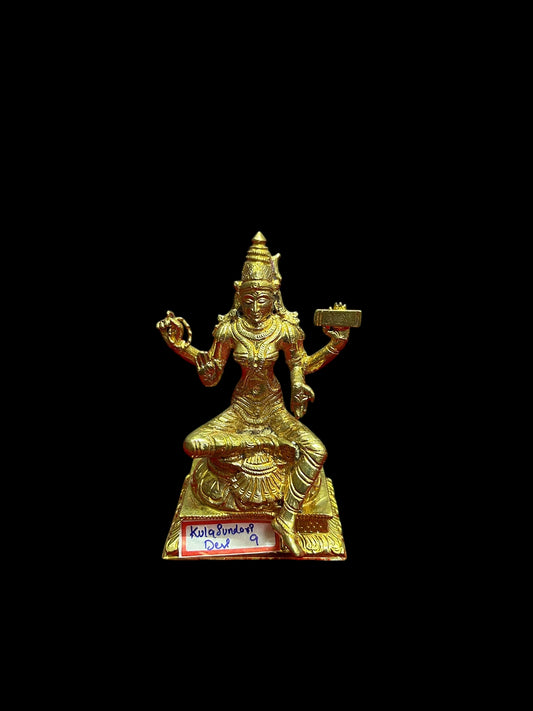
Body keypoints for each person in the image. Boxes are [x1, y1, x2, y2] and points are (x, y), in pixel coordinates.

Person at [157, 232, 349, 556]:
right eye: (249, 300)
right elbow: (212, 376)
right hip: (241, 410)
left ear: (274, 296)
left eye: (262, 300)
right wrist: (180, 348)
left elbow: (300, 366)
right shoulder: (230, 329)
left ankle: (286, 518)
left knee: (317, 451)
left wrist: (335, 346)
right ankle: (264, 444)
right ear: (239, 294)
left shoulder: (285, 328)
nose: (256, 308)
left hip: (273, 409)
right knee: (193, 444)